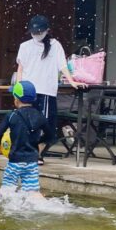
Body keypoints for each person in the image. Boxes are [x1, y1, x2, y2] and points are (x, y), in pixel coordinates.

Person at [16, 15, 81, 164]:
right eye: (34, 32)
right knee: (28, 123)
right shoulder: (25, 46)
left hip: (46, 90)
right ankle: (32, 154)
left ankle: (36, 154)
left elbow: (62, 65)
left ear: (47, 31)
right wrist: (18, 89)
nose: (37, 35)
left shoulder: (54, 45)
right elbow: (20, 69)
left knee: (45, 124)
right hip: (28, 91)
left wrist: (71, 81)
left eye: (39, 32)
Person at [0, 81, 47, 198]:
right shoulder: (39, 115)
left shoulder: (12, 115)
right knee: (32, 192)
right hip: (32, 161)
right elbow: (50, 136)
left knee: (6, 190)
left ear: (16, 99)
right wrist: (37, 143)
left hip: (15, 160)